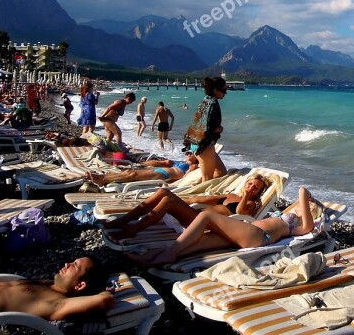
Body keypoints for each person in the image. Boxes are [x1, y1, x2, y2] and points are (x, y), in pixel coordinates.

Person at [130, 186, 316, 267]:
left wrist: (306, 197)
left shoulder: (297, 225)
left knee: (206, 215)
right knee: (201, 241)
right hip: (246, 233)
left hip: (258, 235)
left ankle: (169, 252)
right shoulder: (287, 216)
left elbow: (307, 225)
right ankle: (152, 256)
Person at [106, 173, 270, 239]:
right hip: (195, 214)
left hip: (205, 224)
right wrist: (182, 202)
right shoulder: (230, 195)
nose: (251, 187)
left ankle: (133, 230)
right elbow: (202, 199)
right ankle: (126, 219)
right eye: (250, 184)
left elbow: (242, 213)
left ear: (258, 192)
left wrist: (247, 195)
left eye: (256, 187)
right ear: (245, 182)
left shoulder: (251, 203)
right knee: (164, 193)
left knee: (168, 201)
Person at [183, 76, 227, 182]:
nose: (225, 93)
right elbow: (206, 128)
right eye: (224, 90)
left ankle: (197, 184)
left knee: (221, 171)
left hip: (195, 141)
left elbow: (199, 122)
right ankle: (200, 194)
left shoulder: (205, 100)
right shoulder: (212, 104)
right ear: (215, 90)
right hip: (203, 145)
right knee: (207, 179)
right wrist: (220, 129)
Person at [84, 152, 199, 187]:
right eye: (188, 154)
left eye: (191, 154)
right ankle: (103, 178)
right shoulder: (183, 163)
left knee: (132, 175)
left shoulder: (193, 166)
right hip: (159, 171)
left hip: (164, 177)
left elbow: (185, 179)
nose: (188, 155)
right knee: (128, 172)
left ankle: (103, 179)